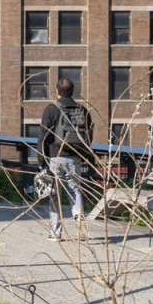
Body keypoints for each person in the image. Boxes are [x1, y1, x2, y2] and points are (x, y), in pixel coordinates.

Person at [40, 77, 93, 241]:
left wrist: (42, 161)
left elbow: (43, 138)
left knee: (55, 194)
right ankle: (80, 229)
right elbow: (89, 137)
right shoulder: (83, 110)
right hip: (75, 158)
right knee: (75, 191)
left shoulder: (51, 109)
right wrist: (83, 156)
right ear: (72, 91)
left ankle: (55, 233)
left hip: (56, 157)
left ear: (56, 91)